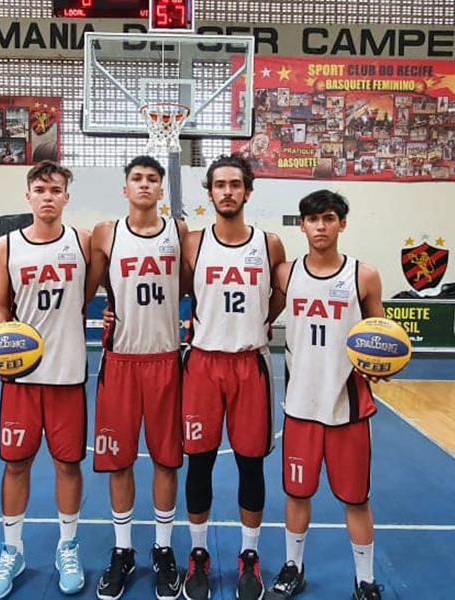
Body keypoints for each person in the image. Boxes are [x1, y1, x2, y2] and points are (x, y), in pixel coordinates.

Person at [265, 190, 385, 600]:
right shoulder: (286, 274)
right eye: (313, 219)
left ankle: (365, 580)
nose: (320, 226)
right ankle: (293, 568)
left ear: (342, 224)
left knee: (356, 499)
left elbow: (381, 334)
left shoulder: (363, 275)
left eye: (329, 218)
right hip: (300, 406)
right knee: (297, 494)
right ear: (301, 225)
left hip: (348, 407)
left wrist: (381, 365)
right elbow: (261, 317)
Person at [0, 161, 91, 599]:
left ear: (67, 197)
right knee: (16, 463)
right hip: (21, 378)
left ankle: (68, 544)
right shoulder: (6, 246)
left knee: (68, 463)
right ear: (28, 196)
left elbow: (90, 296)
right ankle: (13, 550)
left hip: (67, 374)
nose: (48, 196)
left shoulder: (83, 242)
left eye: (56, 189)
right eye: (41, 189)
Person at [180, 153, 286, 600]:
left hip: (250, 365)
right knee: (199, 460)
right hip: (203, 364)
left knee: (250, 463)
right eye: (219, 185)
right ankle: (198, 555)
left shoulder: (271, 244)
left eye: (235, 184)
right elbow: (182, 290)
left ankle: (248, 556)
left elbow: (280, 296)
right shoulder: (194, 244)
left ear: (248, 192)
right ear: (209, 193)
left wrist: (260, 323)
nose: (227, 191)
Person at [86, 155, 187, 600]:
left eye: (152, 180)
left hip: (167, 359)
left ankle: (163, 549)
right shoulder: (106, 233)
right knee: (119, 459)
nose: (144, 185)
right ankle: (123, 549)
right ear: (125, 188)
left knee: (167, 459)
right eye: (136, 179)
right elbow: (85, 290)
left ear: (161, 190)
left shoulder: (179, 233)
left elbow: (193, 285)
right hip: (121, 361)